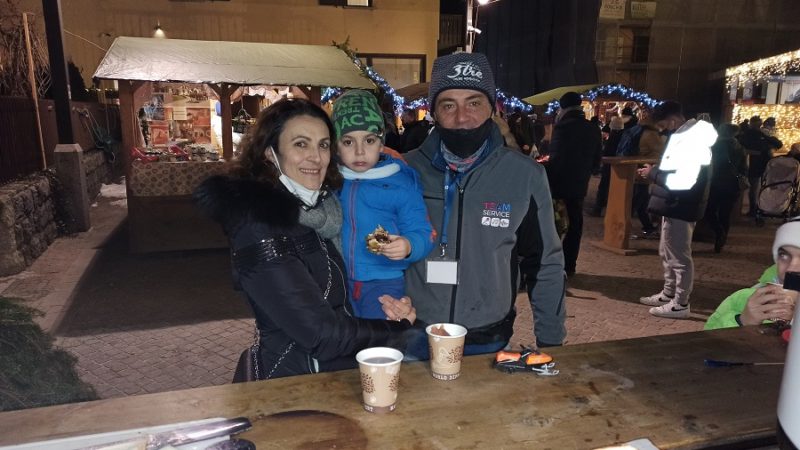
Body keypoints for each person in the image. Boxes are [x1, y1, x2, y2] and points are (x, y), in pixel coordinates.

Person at [193, 98, 416, 380]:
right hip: (294, 383)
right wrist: (398, 330)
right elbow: (320, 334)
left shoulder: (318, 210)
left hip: (329, 373)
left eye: (323, 144)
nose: (316, 157)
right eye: (301, 144)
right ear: (270, 153)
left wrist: (386, 315)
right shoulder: (260, 225)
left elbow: (336, 302)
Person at [401, 52, 567, 355]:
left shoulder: (525, 175)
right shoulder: (404, 171)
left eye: (474, 103)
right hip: (413, 335)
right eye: (448, 104)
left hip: (488, 336)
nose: (462, 118)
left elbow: (545, 263)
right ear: (433, 112)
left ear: (492, 107)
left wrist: (552, 340)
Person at [331, 89, 434, 319]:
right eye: (348, 141)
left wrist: (408, 246)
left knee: (380, 345)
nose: (359, 151)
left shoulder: (400, 182)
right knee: (343, 345)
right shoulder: (332, 180)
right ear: (336, 146)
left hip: (384, 284)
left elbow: (423, 231)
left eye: (369, 140)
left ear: (381, 144)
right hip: (337, 279)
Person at [639, 101, 714, 319]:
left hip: (681, 204)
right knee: (668, 250)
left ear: (673, 120)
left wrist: (652, 174)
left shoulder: (690, 141)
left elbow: (682, 181)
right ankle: (669, 293)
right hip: (676, 204)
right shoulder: (689, 137)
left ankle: (680, 303)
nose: (663, 130)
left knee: (679, 255)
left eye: (663, 125)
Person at [705, 218, 800, 329]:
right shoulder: (744, 300)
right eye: (784, 255)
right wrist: (741, 322)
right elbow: (705, 341)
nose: (791, 268)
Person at [547, 91, 603, 276]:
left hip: (559, 183)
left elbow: (556, 158)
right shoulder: (592, 128)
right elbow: (597, 160)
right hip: (579, 184)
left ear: (563, 107)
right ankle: (569, 264)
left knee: (555, 222)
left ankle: (551, 263)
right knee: (575, 223)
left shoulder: (562, 127)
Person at [705, 123, 748, 253]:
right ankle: (722, 238)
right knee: (725, 213)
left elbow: (712, 165)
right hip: (732, 185)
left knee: (709, 211)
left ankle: (719, 233)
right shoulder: (740, 147)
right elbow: (744, 168)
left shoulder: (716, 147)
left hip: (716, 183)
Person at [739, 116, 783, 217]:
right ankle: (759, 208)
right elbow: (778, 144)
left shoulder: (748, 134)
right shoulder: (762, 134)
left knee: (753, 188)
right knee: (760, 187)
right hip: (763, 164)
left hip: (754, 164)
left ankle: (754, 209)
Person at [592, 115, 625, 216]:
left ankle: (598, 208)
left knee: (604, 186)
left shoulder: (613, 137)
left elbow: (607, 151)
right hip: (619, 165)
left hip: (610, 164)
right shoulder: (624, 136)